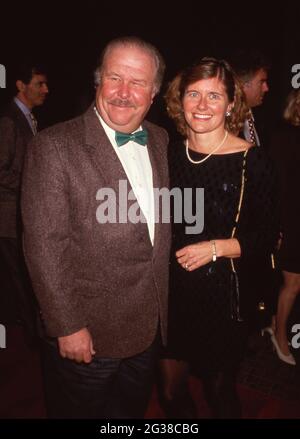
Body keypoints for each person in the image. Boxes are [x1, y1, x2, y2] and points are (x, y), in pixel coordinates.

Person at [21, 36, 170, 419]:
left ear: (153, 93)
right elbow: (43, 246)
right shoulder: (54, 146)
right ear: (97, 81)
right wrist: (66, 325)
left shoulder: (161, 139)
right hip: (88, 334)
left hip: (148, 329)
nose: (124, 92)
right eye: (114, 78)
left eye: (137, 82)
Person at [160, 57, 278, 418]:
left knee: (218, 389)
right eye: (193, 94)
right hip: (170, 292)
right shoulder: (167, 152)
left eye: (214, 96)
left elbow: (269, 236)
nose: (202, 105)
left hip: (222, 294)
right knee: (169, 388)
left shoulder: (251, 161)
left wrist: (216, 247)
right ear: (180, 100)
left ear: (230, 103)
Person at [0, 63, 48, 341]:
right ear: (20, 85)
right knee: (22, 278)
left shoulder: (27, 118)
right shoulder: (8, 121)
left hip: (19, 215)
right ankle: (34, 338)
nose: (46, 89)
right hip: (7, 219)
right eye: (39, 83)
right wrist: (31, 186)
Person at [265, 89, 300, 366]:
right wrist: (278, 227)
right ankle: (280, 335)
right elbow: (277, 188)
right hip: (290, 221)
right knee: (293, 282)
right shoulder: (284, 137)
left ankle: (275, 322)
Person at [230, 49, 270, 146]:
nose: (266, 88)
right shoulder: (225, 122)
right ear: (244, 84)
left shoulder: (261, 120)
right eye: (262, 82)